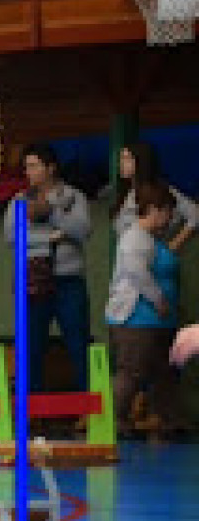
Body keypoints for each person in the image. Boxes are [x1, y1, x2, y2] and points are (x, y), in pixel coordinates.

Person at [105, 180, 186, 439]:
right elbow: (137, 273)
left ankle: (167, 420)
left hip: (158, 321)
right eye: (167, 212)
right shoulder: (134, 238)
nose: (170, 218)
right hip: (135, 319)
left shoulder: (153, 238)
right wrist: (158, 299)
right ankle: (115, 421)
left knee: (165, 373)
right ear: (153, 210)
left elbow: (192, 215)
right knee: (132, 371)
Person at [17, 142, 93, 394]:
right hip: (34, 280)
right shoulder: (21, 199)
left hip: (68, 279)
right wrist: (51, 237)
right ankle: (31, 406)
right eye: (26, 167)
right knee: (32, 346)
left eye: (34, 166)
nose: (28, 172)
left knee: (78, 343)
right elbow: (13, 236)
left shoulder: (73, 196)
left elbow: (83, 229)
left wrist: (52, 212)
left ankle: (86, 404)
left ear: (50, 168)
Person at [105, 140, 197, 255]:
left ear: (141, 161)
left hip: (149, 260)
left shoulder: (157, 190)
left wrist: (172, 246)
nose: (121, 163)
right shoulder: (127, 191)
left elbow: (195, 214)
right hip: (127, 259)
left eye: (127, 159)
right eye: (121, 159)